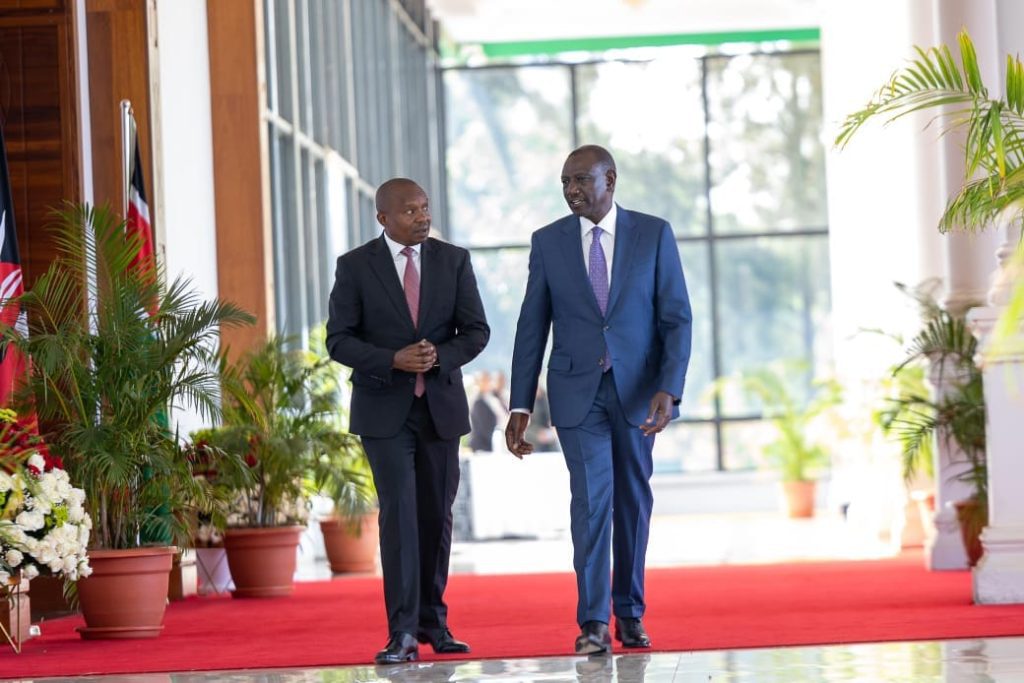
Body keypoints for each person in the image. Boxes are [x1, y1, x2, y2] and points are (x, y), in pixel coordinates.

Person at [505, 145, 692, 655]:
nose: (572, 191)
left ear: (610, 178)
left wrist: (668, 389)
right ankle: (592, 622)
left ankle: (629, 613)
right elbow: (531, 328)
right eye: (565, 182)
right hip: (575, 395)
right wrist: (520, 404)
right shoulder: (548, 243)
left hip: (638, 394)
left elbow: (676, 318)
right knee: (591, 503)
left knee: (632, 502)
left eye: (582, 180)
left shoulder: (654, 234)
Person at [326, 177, 489, 665]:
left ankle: (434, 624)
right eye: (411, 211)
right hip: (385, 413)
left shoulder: (453, 261)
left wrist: (438, 354)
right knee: (399, 518)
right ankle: (400, 633)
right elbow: (339, 340)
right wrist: (390, 359)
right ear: (384, 218)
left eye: (425, 208)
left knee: (436, 516)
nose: (422, 217)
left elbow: (477, 331)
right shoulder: (355, 267)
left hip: (440, 409)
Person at [468, 371, 505, 452]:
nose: (488, 383)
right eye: (484, 381)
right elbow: (482, 427)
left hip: (489, 443)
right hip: (481, 446)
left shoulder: (491, 398)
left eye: (488, 380)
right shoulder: (478, 401)